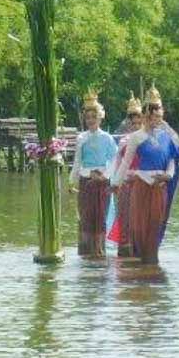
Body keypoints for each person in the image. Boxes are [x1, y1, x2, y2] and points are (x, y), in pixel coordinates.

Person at [111, 86, 179, 265]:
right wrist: (115, 183)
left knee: (154, 227)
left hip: (159, 187)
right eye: (155, 116)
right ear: (147, 115)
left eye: (160, 117)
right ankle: (139, 270)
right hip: (141, 186)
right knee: (139, 228)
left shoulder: (166, 137)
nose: (158, 120)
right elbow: (125, 163)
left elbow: (171, 161)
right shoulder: (137, 137)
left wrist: (167, 176)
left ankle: (151, 263)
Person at [69, 90, 119, 257]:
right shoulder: (81, 138)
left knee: (100, 218)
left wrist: (104, 176)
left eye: (94, 117)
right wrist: (72, 181)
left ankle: (99, 251)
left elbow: (115, 160)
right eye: (88, 118)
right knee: (86, 218)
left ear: (100, 118)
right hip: (85, 181)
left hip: (102, 182)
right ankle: (85, 253)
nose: (90, 121)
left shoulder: (107, 138)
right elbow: (77, 161)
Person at [108, 93, 144, 257]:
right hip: (124, 185)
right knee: (124, 218)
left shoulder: (146, 141)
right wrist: (115, 183)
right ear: (128, 124)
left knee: (139, 220)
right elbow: (118, 165)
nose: (136, 125)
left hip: (141, 183)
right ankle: (124, 256)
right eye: (133, 122)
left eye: (138, 122)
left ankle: (139, 253)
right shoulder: (123, 141)